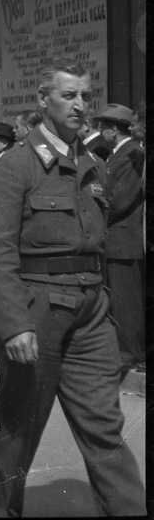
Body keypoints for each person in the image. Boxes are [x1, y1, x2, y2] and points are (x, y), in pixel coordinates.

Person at [0, 64, 145, 517]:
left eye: (85, 97)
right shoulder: (15, 167)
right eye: (69, 96)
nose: (79, 105)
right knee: (17, 429)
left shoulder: (93, 165)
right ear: (42, 99)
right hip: (39, 312)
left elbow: (98, 243)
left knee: (104, 427)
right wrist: (13, 324)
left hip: (91, 314)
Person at [94, 103, 145, 374]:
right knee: (116, 299)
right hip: (114, 240)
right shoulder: (117, 154)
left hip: (125, 241)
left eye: (104, 127)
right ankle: (120, 349)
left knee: (127, 302)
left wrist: (95, 210)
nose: (101, 132)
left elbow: (119, 200)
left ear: (114, 130)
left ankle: (130, 352)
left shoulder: (131, 154)